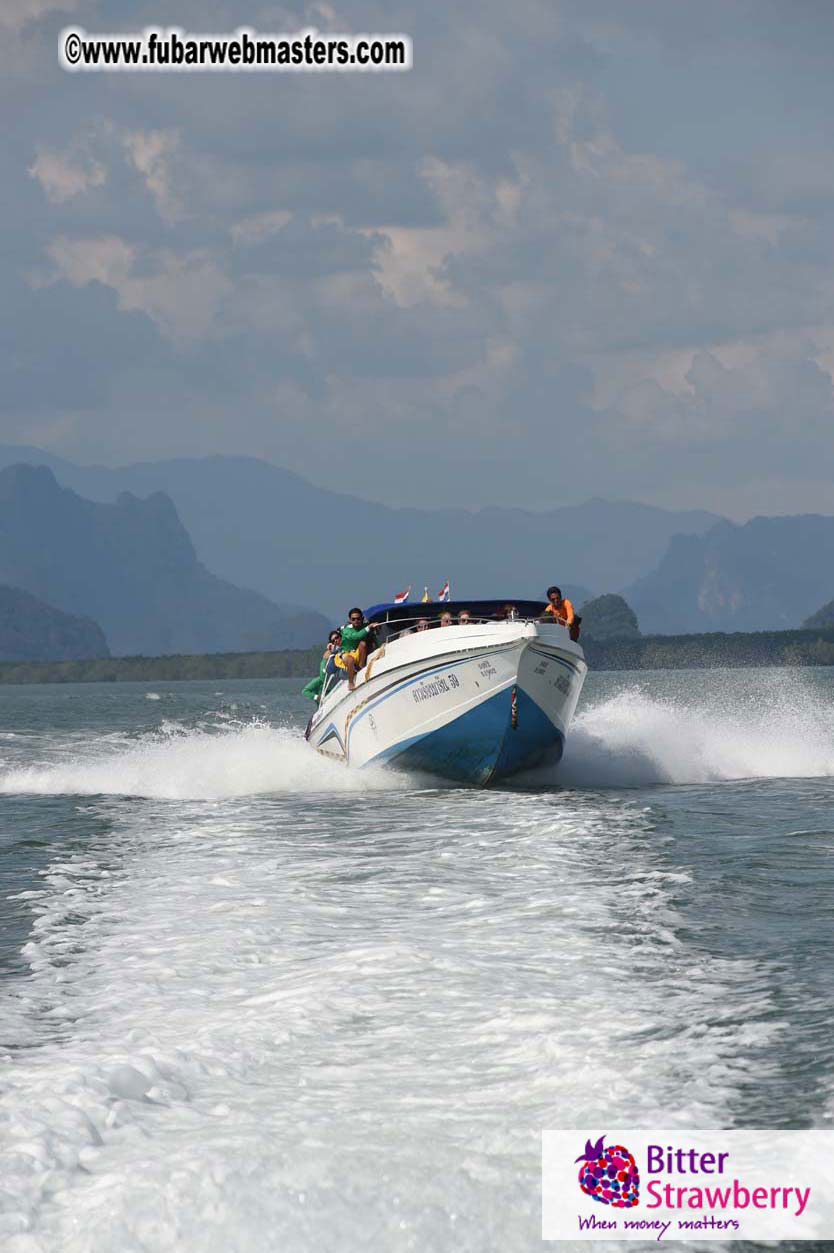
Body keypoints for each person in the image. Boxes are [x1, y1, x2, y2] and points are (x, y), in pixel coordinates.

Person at [302, 630, 342, 703]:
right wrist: (317, 697)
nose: (335, 641)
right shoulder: (319, 681)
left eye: (337, 638)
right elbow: (305, 691)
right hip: (323, 706)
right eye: (333, 640)